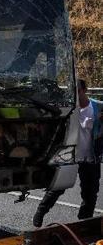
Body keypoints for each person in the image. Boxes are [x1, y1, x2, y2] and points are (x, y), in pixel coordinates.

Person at [33, 79, 102, 227]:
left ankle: (84, 223)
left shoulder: (98, 108)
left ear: (84, 90)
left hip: (91, 156)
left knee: (90, 193)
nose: (75, 95)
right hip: (70, 155)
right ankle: (40, 212)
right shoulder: (68, 108)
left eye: (77, 91)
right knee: (58, 187)